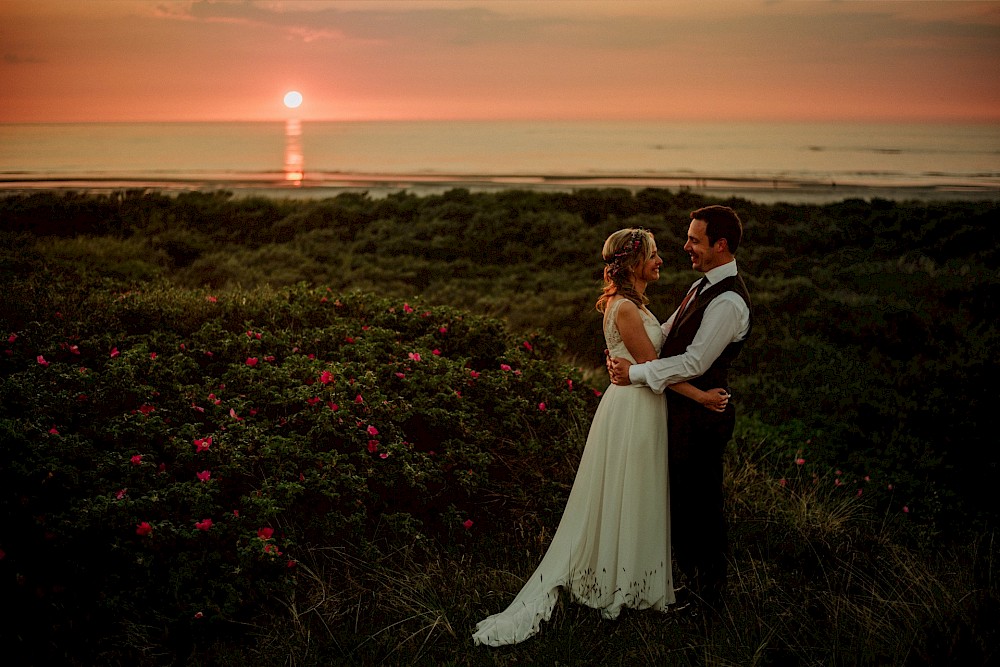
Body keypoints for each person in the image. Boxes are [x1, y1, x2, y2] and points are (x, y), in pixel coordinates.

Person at [472, 228, 730, 646]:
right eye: (653, 254)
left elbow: (651, 355)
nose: (660, 259)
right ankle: (626, 585)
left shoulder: (632, 305)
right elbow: (652, 364)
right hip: (634, 408)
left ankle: (635, 580)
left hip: (639, 402)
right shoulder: (625, 308)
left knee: (635, 491)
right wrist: (700, 396)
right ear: (633, 263)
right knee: (631, 490)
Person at [608, 205, 752, 612]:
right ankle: (693, 584)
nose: (685, 245)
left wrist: (634, 374)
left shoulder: (728, 302)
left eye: (694, 239)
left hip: (706, 418)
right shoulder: (702, 286)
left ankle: (710, 596)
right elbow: (668, 331)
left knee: (703, 505)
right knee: (684, 504)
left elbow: (694, 362)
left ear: (719, 245)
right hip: (683, 414)